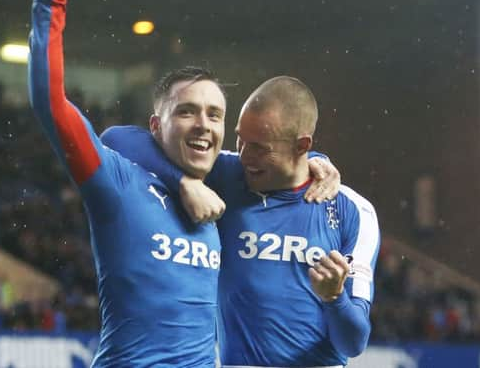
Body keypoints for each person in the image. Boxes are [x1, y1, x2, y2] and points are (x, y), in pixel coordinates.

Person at [28, 0, 227, 366]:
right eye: (187, 111)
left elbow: (284, 161)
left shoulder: (226, 184)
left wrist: (317, 160)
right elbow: (53, 104)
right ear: (156, 126)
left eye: (215, 114)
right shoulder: (118, 183)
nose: (204, 125)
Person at [103, 76, 380, 367]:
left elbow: (353, 342)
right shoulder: (227, 176)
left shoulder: (353, 211)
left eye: (260, 147)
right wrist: (184, 181)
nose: (245, 156)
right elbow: (116, 139)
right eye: (240, 140)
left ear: (302, 146)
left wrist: (334, 298)